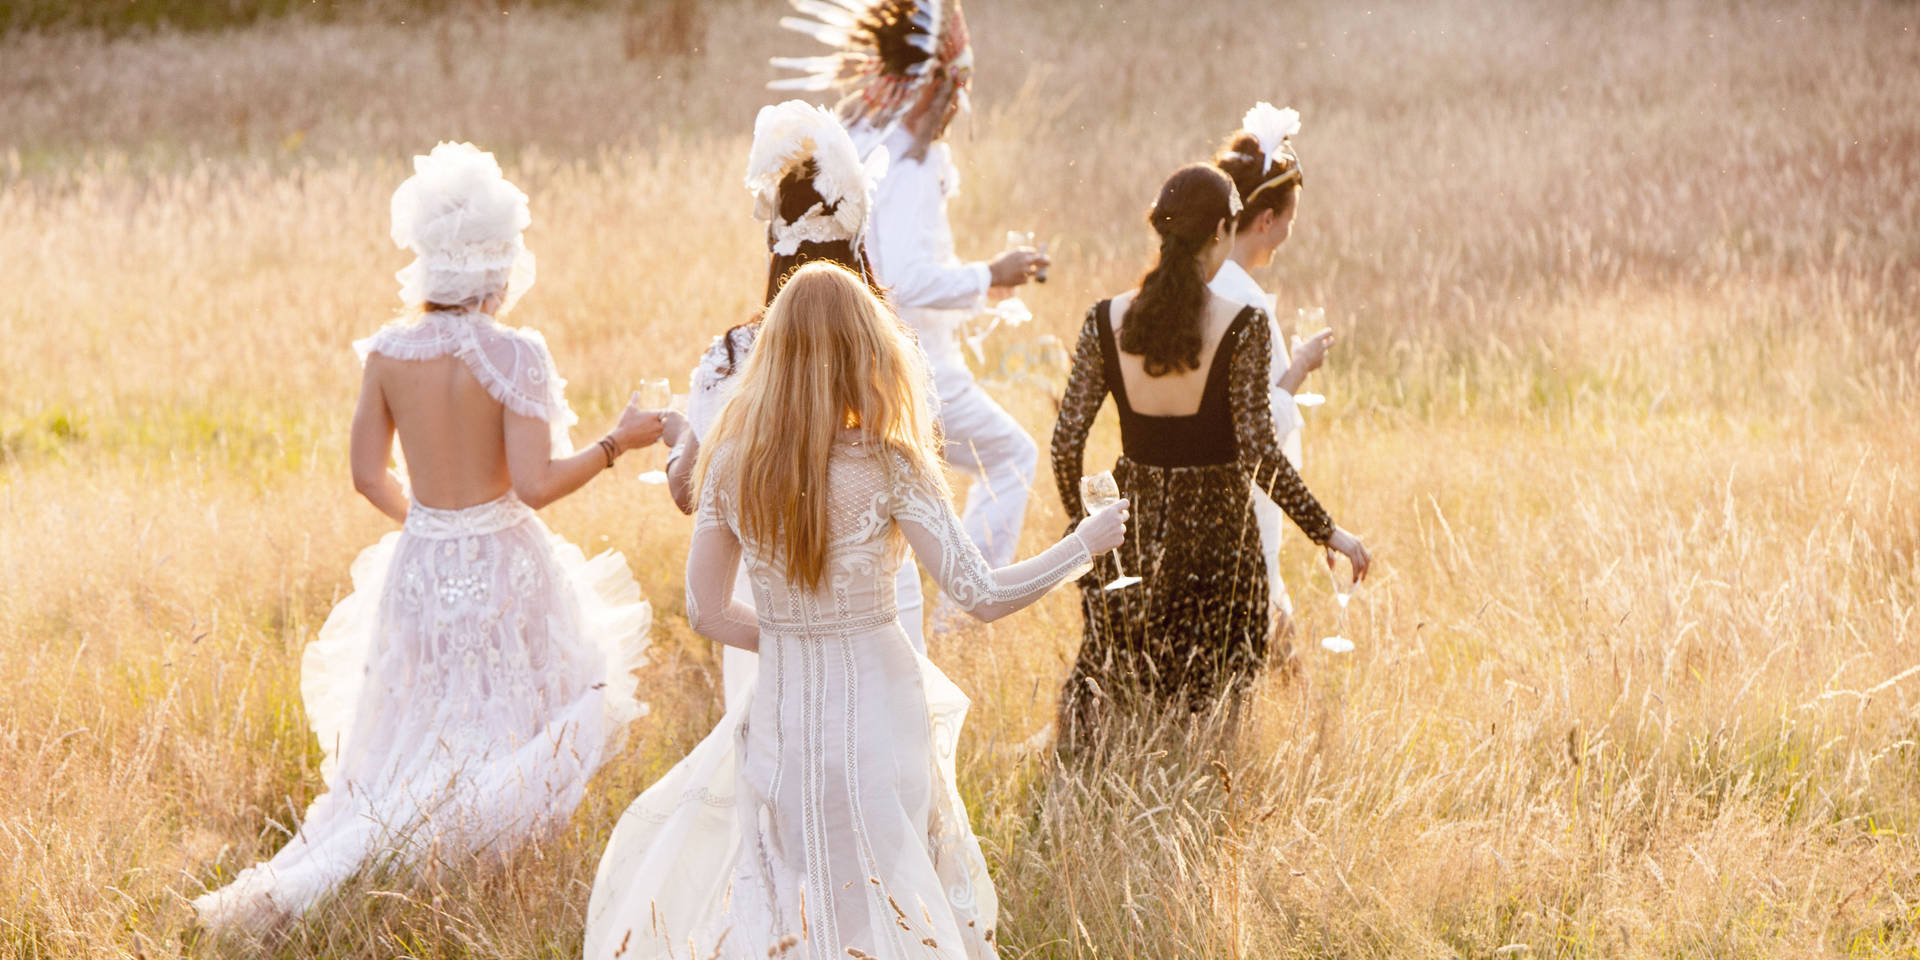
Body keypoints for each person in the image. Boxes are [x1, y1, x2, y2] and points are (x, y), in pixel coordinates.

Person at [582, 262, 1127, 960]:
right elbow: (981, 595)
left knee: (799, 915)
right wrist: (1082, 545)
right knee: (890, 908)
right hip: (881, 724)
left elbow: (705, 611)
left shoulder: (728, 465)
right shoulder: (893, 463)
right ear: (867, 349)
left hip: (780, 725)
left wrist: (790, 638)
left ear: (774, 353)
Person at [192, 142, 658, 932]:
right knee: (520, 719)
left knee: (417, 733)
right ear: (493, 261)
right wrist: (619, 442)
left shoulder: (388, 353)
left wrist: (435, 527)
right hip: (507, 560)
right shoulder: (516, 352)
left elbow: (367, 475)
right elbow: (537, 484)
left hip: (421, 563)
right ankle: (457, 879)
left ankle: (325, 884)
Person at [1049, 164, 1370, 747]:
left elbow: (1065, 442)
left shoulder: (1105, 320)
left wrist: (1085, 537)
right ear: (1222, 228)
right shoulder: (1242, 325)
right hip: (1220, 546)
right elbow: (1258, 453)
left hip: (1134, 537)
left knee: (1131, 708)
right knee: (1216, 726)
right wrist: (1327, 531)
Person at [771, 0, 1050, 614]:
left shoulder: (863, 142)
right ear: (934, 86)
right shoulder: (913, 163)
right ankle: (960, 606)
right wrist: (988, 273)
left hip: (856, 351)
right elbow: (899, 276)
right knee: (1012, 454)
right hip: (915, 364)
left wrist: (986, 286)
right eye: (956, 89)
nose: (959, 106)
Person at [663, 99, 928, 710]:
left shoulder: (731, 357)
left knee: (777, 769)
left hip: (771, 608)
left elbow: (690, 495)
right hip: (877, 598)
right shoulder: (889, 353)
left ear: (774, 244)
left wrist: (679, 436)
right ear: (858, 241)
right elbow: (918, 476)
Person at [1209, 102, 1336, 645]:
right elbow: (1253, 426)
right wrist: (1302, 366)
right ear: (1265, 221)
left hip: (1215, 500)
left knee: (1276, 637)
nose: (1289, 232)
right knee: (1271, 634)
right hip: (1245, 502)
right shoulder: (1245, 303)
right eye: (1289, 220)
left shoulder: (1208, 281)